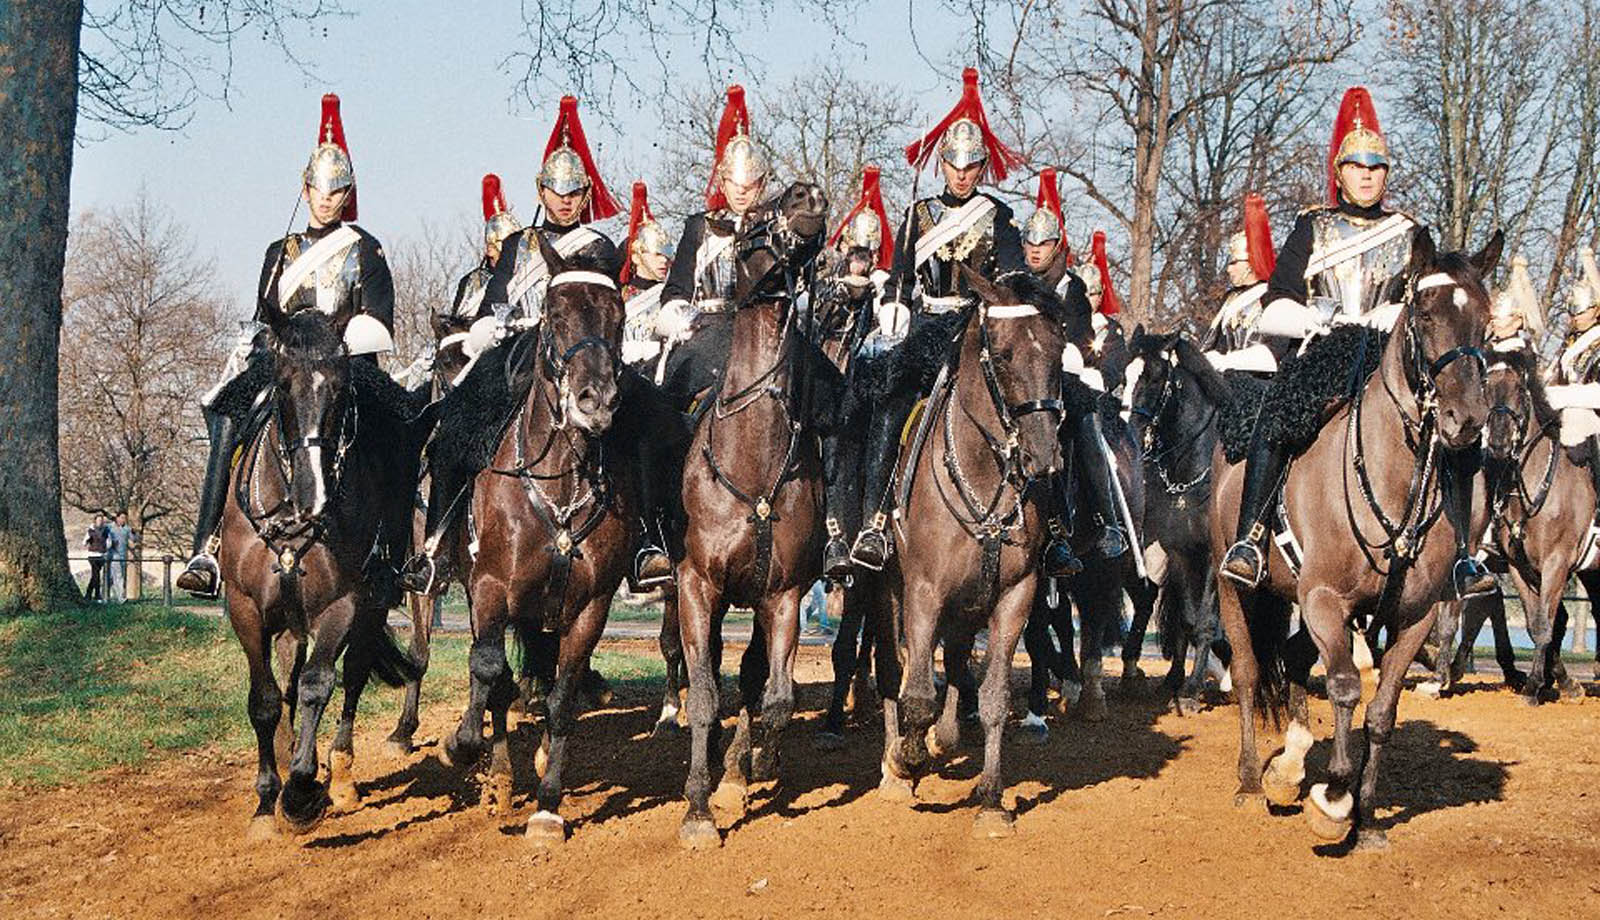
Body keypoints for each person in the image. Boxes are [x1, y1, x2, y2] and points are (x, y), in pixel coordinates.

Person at [1217, 86, 1495, 599]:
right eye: (1358, 166)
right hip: (1324, 349)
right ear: (1340, 171)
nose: (1368, 175)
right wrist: (1318, 324)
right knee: (1279, 410)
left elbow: (1425, 300)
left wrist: (1395, 317)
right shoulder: (1313, 226)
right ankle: (1251, 540)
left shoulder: (1410, 231)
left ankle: (1463, 557)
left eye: (1378, 167)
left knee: (1458, 421)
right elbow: (1277, 299)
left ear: (1385, 174)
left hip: (1390, 351)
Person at [176, 94, 398, 598]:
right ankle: (207, 545)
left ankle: (392, 552)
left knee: (397, 425)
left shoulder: (366, 249)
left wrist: (341, 342)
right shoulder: (280, 253)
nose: (326, 198)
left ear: (348, 194)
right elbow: (264, 316)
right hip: (288, 361)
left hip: (344, 364)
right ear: (305, 189)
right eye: (319, 189)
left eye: (337, 190)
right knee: (228, 411)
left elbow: (381, 320)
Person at [401, 95, 622, 595]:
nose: (565, 199)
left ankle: (648, 541)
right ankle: (436, 545)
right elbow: (493, 303)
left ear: (586, 193)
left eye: (575, 190)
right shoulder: (520, 245)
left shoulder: (598, 247)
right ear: (541, 192)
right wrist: (489, 328)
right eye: (556, 190)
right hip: (519, 351)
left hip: (579, 357)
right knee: (454, 422)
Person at [847, 67, 1027, 571]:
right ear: (941, 165)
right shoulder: (918, 215)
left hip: (977, 331)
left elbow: (1010, 279)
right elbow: (901, 275)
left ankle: (1049, 530)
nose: (963, 173)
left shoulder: (1000, 217)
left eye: (972, 165)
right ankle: (874, 523)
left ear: (982, 166)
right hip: (926, 327)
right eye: (955, 164)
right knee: (890, 403)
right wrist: (895, 307)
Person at [1020, 169, 1127, 574]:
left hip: (1062, 377)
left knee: (1084, 426)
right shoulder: (1017, 282)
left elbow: (1080, 337)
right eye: (1029, 242)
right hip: (1025, 379)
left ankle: (1104, 520)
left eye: (1043, 243)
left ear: (1056, 245)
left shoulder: (1074, 289)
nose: (1034, 250)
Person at [652, 84, 774, 405]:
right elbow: (675, 290)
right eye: (735, 183)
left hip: (759, 331)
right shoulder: (700, 227)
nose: (742, 192)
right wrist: (681, 319)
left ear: (761, 184)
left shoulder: (773, 229)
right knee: (668, 398)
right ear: (723, 182)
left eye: (750, 184)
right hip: (706, 329)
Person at [819, 166, 896, 576]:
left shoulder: (887, 287)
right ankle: (830, 533)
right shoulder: (828, 286)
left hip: (868, 386)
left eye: (867, 253)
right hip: (829, 382)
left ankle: (875, 526)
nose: (859, 261)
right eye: (854, 252)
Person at [429, 174, 524, 389]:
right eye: (503, 244)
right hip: (475, 355)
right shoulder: (473, 282)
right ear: (490, 247)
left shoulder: (523, 273)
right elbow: (459, 327)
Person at [1203, 193, 1276, 354]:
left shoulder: (1270, 295)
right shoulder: (1230, 299)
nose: (1229, 269)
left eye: (1234, 263)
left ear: (1251, 263)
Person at [106, 512, 132, 603]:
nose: (123, 520)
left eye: (125, 518)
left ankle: (112, 597)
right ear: (117, 518)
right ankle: (120, 598)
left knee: (117, 577)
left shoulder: (127, 529)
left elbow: (133, 539)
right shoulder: (109, 527)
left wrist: (135, 533)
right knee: (117, 576)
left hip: (123, 556)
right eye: (121, 518)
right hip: (112, 555)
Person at [83, 514, 108, 603]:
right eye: (98, 520)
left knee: (94, 576)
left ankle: (88, 595)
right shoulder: (91, 530)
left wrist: (106, 548)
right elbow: (84, 542)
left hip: (101, 555)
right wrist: (88, 541)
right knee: (96, 575)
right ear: (95, 521)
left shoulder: (105, 531)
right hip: (92, 555)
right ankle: (97, 595)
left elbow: (109, 541)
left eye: (101, 521)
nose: (100, 522)